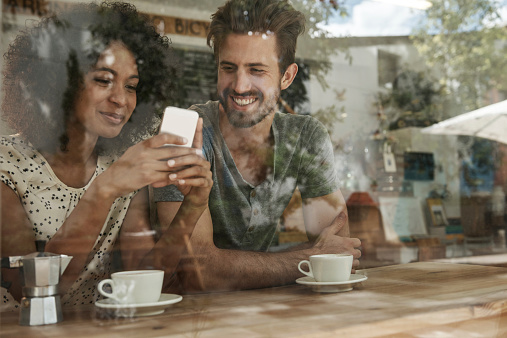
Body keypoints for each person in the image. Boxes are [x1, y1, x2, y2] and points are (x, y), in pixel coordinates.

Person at [0, 1, 212, 310]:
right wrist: (104, 190)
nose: (120, 99)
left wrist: (192, 206)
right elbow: (31, 292)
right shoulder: (6, 164)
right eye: (103, 80)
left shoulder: (118, 167)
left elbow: (148, 280)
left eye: (132, 86)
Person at [155, 0, 361, 291]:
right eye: (229, 68)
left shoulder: (305, 136)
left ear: (287, 77)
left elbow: (337, 255)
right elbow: (197, 272)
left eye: (256, 70)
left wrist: (305, 259)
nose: (239, 86)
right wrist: (307, 258)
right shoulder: (184, 132)